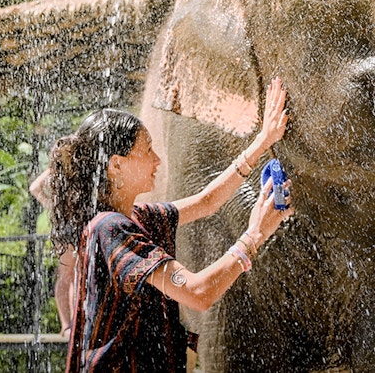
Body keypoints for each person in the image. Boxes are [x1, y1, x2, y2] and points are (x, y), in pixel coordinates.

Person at [49, 78, 293, 372]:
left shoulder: (137, 217)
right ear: (116, 165)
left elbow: (207, 201)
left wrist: (264, 140)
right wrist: (254, 235)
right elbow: (198, 292)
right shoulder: (110, 228)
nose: (157, 160)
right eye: (147, 149)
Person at [29, 168, 76, 337]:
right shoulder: (61, 167)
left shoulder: (60, 167)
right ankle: (69, 325)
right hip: (71, 224)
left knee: (68, 276)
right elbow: (34, 188)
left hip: (66, 224)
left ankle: (69, 325)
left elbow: (35, 188)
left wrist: (53, 207)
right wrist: (52, 206)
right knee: (71, 276)